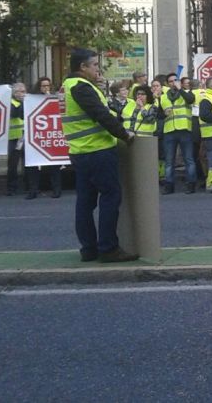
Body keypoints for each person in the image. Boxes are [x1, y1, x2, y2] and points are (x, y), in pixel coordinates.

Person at [63, 48, 138, 263]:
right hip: (97, 150)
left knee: (85, 203)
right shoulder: (81, 87)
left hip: (80, 151)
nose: (98, 68)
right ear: (82, 67)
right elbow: (101, 115)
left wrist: (100, 89)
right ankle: (108, 248)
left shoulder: (70, 86)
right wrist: (124, 135)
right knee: (110, 196)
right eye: (94, 65)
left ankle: (89, 249)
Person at [159, 72, 197, 194]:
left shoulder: (186, 93)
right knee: (169, 161)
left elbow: (191, 100)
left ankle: (191, 184)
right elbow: (158, 114)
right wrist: (163, 113)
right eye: (170, 81)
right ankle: (169, 186)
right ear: (167, 84)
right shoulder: (163, 96)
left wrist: (181, 89)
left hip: (184, 130)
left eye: (175, 80)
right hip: (169, 131)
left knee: (188, 159)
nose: (173, 83)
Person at [6, 82, 32, 198]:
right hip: (14, 138)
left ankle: (28, 185)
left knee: (28, 162)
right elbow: (17, 114)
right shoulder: (11, 103)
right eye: (18, 92)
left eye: (23, 91)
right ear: (13, 93)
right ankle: (11, 187)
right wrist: (23, 102)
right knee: (13, 164)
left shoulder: (29, 102)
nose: (21, 94)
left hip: (26, 137)